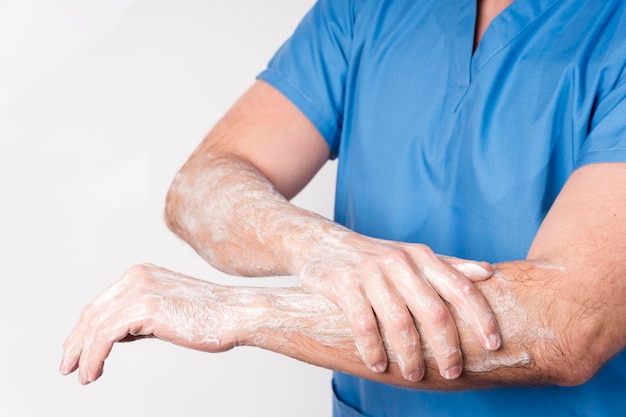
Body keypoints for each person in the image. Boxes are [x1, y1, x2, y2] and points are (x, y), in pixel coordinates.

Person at [61, 0, 626, 415]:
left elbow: (570, 321)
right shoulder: (366, 9)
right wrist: (320, 248)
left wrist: (240, 312)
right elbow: (201, 185)